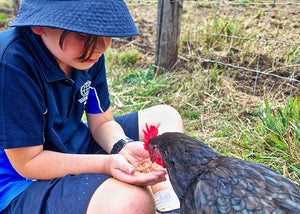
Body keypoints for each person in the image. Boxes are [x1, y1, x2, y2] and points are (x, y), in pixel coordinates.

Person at [0, 0, 184, 213]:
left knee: (166, 117)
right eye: (85, 35)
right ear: (40, 26)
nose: (102, 46)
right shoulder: (12, 64)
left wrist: (121, 146)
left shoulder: (88, 56)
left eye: (107, 32)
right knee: (132, 202)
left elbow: (102, 122)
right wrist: (106, 164)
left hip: (72, 143)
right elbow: (29, 162)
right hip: (22, 179)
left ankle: (167, 201)